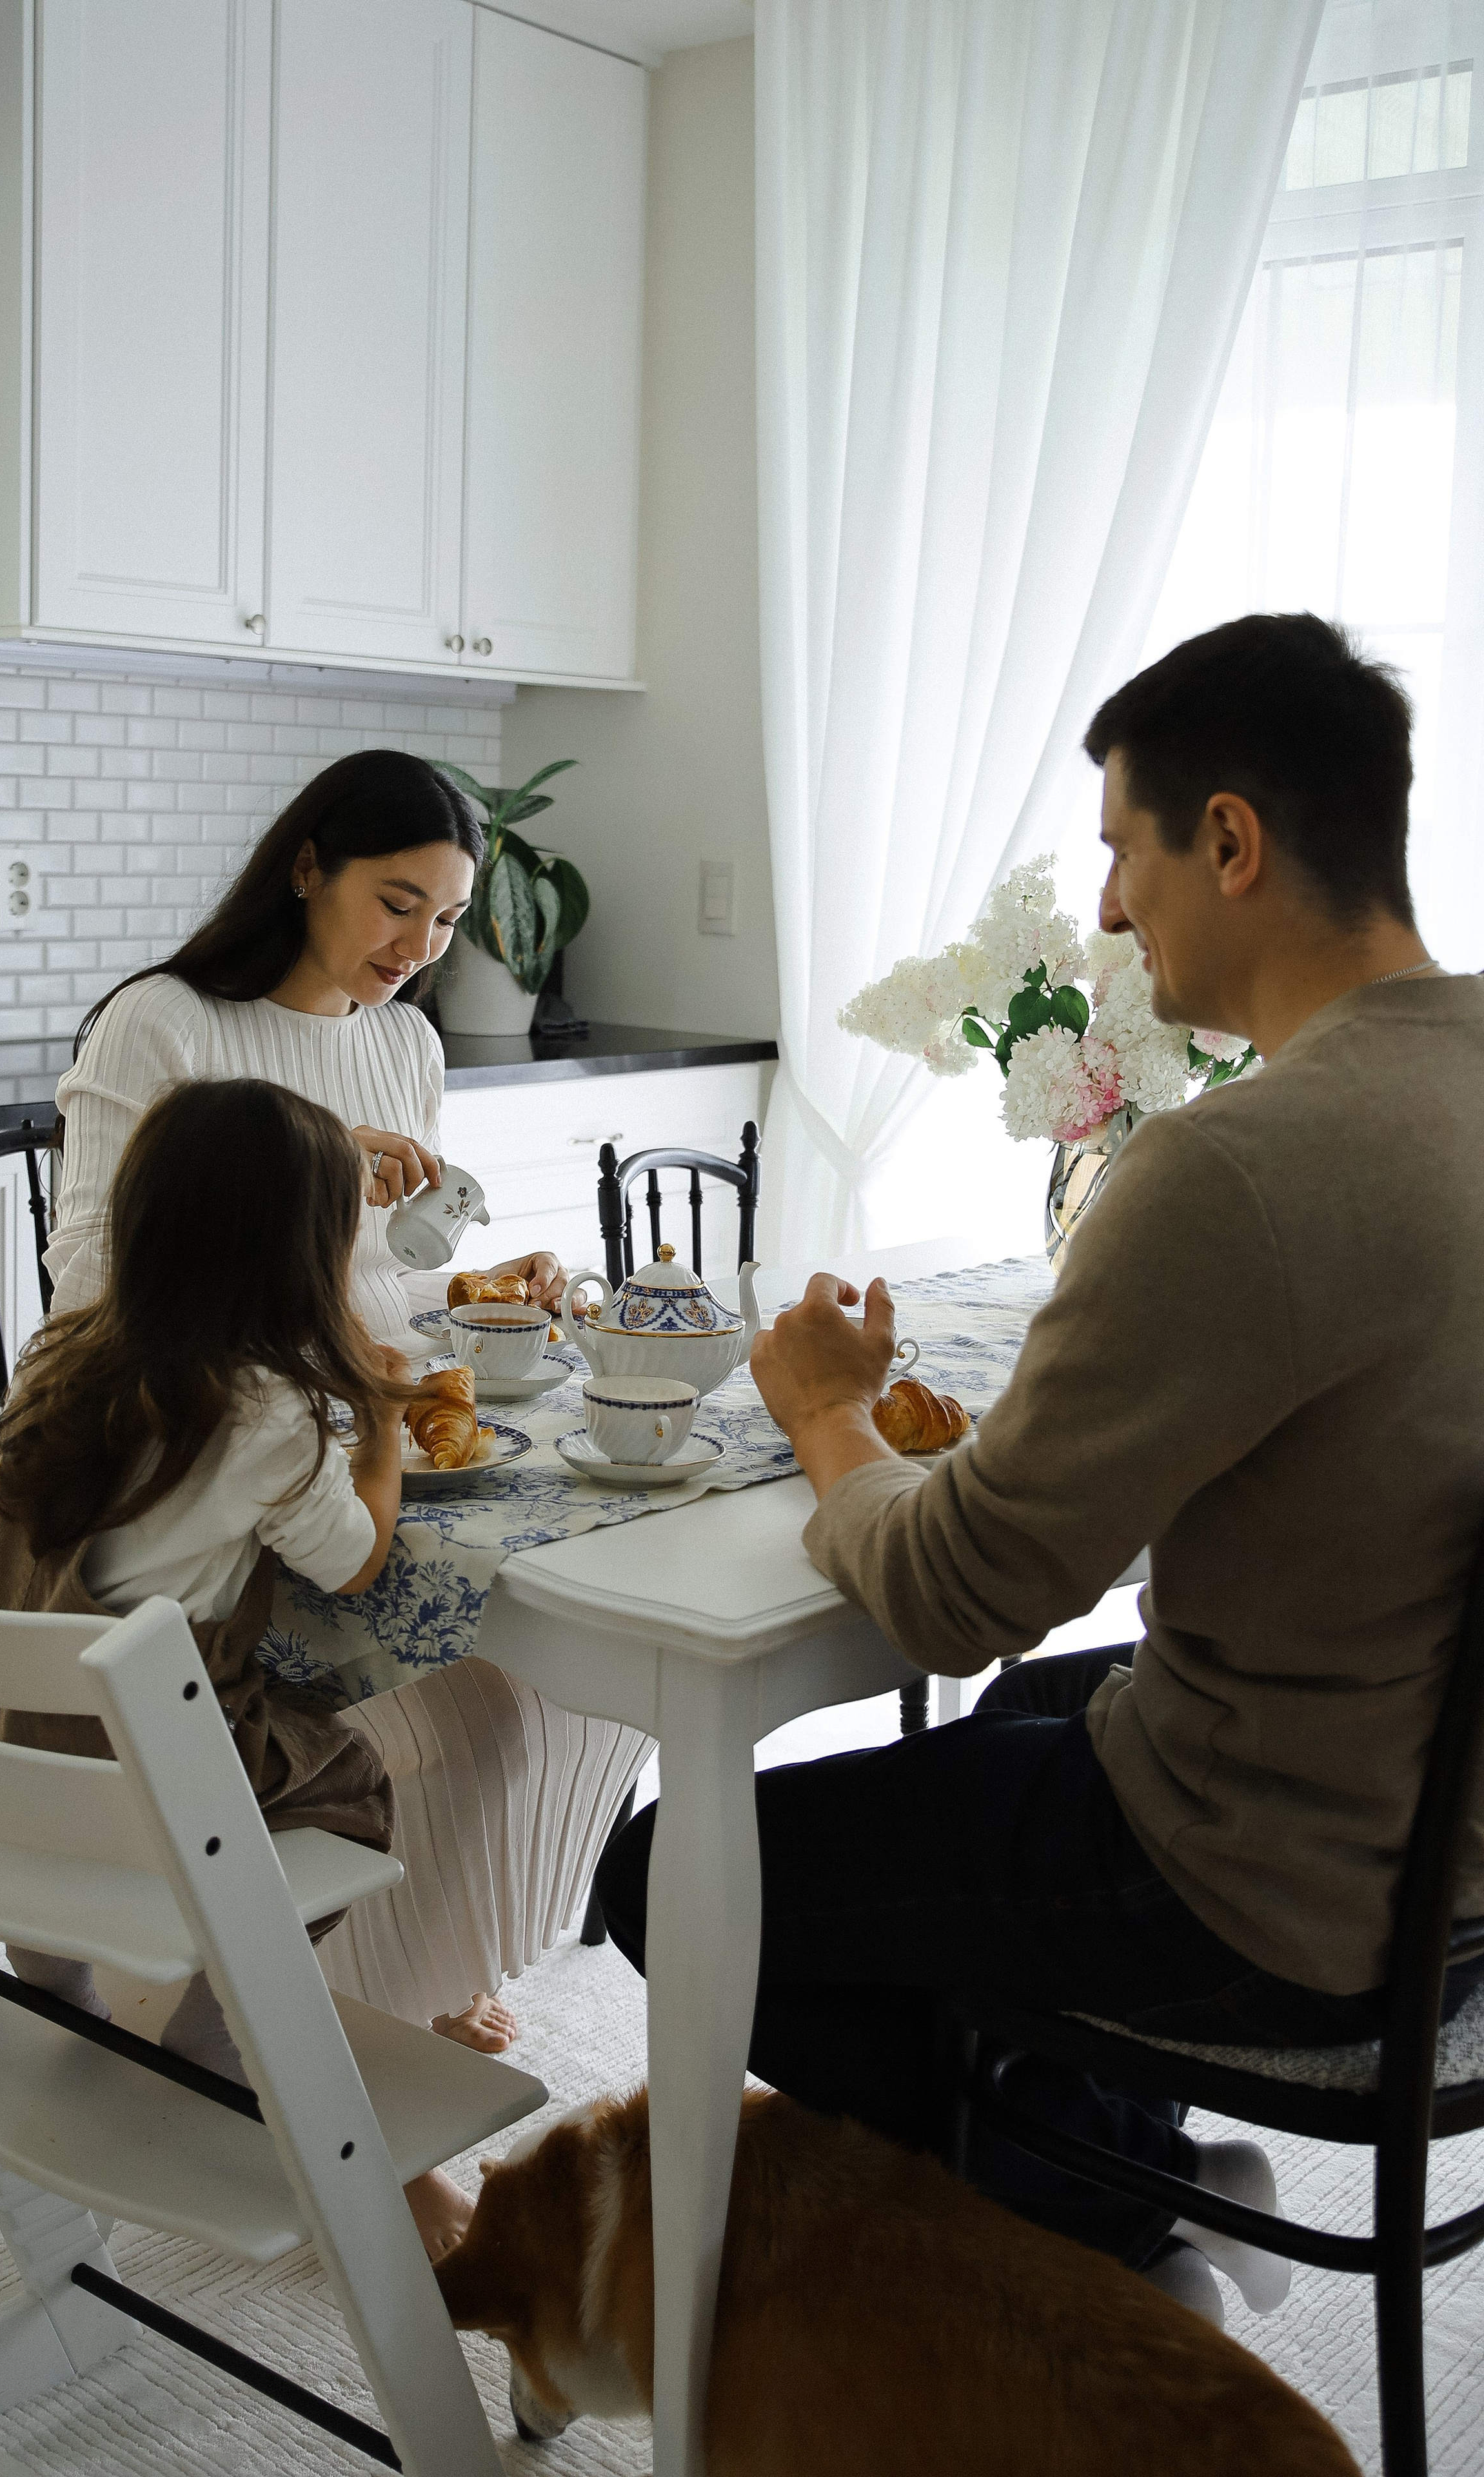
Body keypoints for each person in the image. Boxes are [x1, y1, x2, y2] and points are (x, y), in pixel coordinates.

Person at [594, 612, 1484, 2323]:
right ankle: (1126, 2150)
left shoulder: (1242, 1170)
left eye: (1119, 853)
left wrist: (822, 1414)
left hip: (1275, 1886)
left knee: (666, 1876)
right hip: (1452, 1850)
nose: (1102, 912)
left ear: (1228, 841)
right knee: (1028, 1728)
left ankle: (1104, 2211)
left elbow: (952, 1595)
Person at [46, 750, 652, 2058]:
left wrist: (482, 1287)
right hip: (234, 1508)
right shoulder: (163, 1024)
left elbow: (385, 1282)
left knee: (605, 1686)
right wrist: (308, 1171)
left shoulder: (404, 1041)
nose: (415, 949)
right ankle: (365, 2027)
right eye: (395, 903)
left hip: (366, 1452)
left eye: (441, 921)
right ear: (306, 864)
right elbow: (97, 1290)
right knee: (495, 1715)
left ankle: (425, 1953)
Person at [0, 1076, 482, 2258]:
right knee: (346, 1775)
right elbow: (357, 1566)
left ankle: (49, 1972)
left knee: (213, 1711)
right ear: (299, 1256)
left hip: (12, 1746)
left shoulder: (65, 1352)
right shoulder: (272, 1417)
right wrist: (385, 1407)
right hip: (148, 1774)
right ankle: (210, 2023)